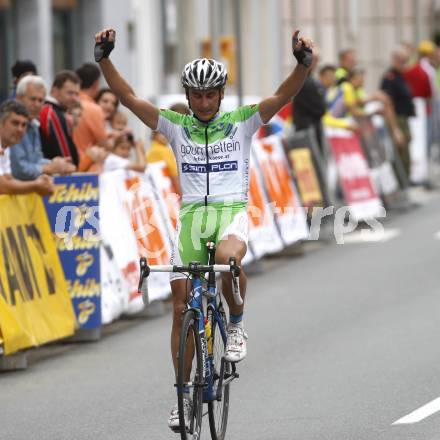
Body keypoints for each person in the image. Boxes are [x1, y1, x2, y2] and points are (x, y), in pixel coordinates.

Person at [95, 27, 312, 430]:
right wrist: (104, 59)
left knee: (229, 260)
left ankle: (237, 323)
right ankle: (182, 396)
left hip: (230, 212)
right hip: (192, 219)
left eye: (210, 94)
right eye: (196, 94)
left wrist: (303, 63)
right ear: (188, 95)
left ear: (221, 94)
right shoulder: (176, 125)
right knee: (180, 311)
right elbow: (128, 98)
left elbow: (284, 95)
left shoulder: (242, 122)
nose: (203, 101)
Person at [9, 75, 76, 181]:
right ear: (19, 98)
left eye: (41, 101)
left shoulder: (34, 124)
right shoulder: (9, 124)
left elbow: (36, 160)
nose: (37, 104)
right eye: (33, 99)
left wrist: (56, 164)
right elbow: (18, 169)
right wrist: (48, 168)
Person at [0, 100, 53, 195]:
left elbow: (8, 179)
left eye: (24, 125)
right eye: (15, 123)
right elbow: (3, 187)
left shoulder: (5, 146)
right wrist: (35, 186)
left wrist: (38, 183)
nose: (20, 129)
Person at [380, 46, 416, 181]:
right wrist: (395, 129)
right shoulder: (390, 78)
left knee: (406, 154)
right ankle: (401, 184)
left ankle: (405, 183)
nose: (405, 64)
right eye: (402, 61)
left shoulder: (400, 75)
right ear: (395, 60)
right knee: (400, 156)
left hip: (403, 119)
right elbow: (387, 103)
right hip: (396, 119)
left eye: (406, 60)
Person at [145, 103, 189, 195]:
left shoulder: (191, 143)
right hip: (169, 194)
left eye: (183, 119)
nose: (178, 124)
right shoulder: (162, 149)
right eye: (175, 119)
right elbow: (174, 176)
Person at [40, 70, 81, 167]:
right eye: (70, 93)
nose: (74, 98)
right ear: (55, 91)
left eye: (76, 94)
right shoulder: (52, 113)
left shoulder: (52, 111)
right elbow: (65, 155)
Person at [73, 63, 108, 172]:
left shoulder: (68, 104)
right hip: (89, 169)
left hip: (69, 166)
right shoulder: (94, 109)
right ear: (96, 84)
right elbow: (103, 143)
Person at [292, 49, 326, 151]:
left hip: (312, 128)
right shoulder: (303, 80)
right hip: (306, 129)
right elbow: (319, 108)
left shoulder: (310, 79)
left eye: (316, 60)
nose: (315, 63)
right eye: (313, 60)